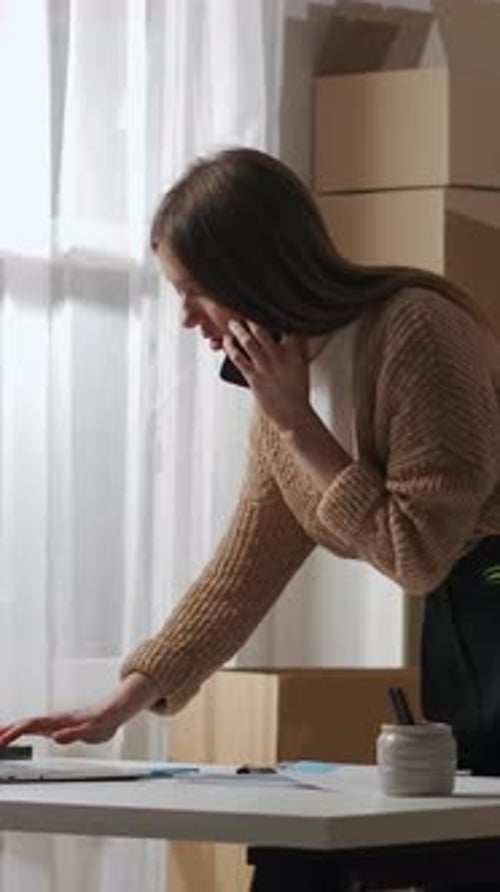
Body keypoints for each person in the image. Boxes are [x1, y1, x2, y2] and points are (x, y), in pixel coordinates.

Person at [1, 147, 500, 783]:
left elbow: (417, 555)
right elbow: (244, 570)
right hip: (462, 612)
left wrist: (298, 423)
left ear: (253, 272)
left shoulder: (417, 332)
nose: (186, 318)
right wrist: (117, 706)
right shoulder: (281, 381)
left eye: (195, 292)